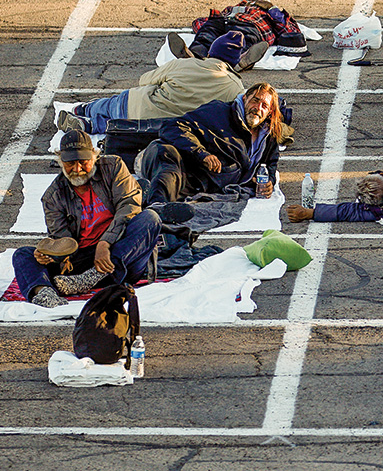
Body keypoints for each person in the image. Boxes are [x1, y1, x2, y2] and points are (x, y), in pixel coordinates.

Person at [12, 130, 161, 308]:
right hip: (81, 264)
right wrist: (51, 255)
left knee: (150, 218)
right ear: (60, 161)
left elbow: (129, 207)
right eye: (70, 163)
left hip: (120, 257)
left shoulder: (113, 167)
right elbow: (63, 240)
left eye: (83, 162)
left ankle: (94, 276)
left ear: (95, 156)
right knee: (23, 254)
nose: (77, 169)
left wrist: (105, 243)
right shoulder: (53, 197)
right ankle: (44, 293)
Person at [56, 31, 249, 135]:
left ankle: (83, 110)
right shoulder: (236, 88)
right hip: (165, 128)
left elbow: (144, 80)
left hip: (136, 105)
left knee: (113, 104)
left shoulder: (183, 65)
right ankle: (89, 125)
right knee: (118, 126)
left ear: (211, 52)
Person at [140, 83, 285, 205]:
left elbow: (270, 164)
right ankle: (157, 206)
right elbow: (173, 126)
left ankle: (152, 197)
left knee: (175, 192)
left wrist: (269, 182)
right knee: (167, 159)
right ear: (245, 98)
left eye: (264, 106)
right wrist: (202, 154)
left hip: (203, 186)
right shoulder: (218, 111)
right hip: (182, 166)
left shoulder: (268, 135)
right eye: (255, 100)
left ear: (270, 112)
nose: (257, 108)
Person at [167, 0, 306, 64]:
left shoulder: (266, 12)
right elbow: (198, 24)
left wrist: (271, 8)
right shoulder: (230, 9)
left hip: (250, 25)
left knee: (240, 38)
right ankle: (193, 56)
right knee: (206, 34)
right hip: (224, 21)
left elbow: (289, 31)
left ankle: (238, 60)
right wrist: (210, 22)